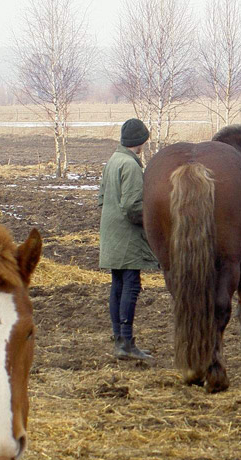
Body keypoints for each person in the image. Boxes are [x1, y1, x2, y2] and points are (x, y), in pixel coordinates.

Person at [98, 118, 158, 360]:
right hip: (128, 238)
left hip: (112, 234)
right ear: (141, 142)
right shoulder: (131, 166)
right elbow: (133, 206)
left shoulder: (113, 161)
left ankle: (119, 340)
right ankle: (127, 344)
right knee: (130, 286)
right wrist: (154, 223)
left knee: (118, 285)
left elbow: (102, 199)